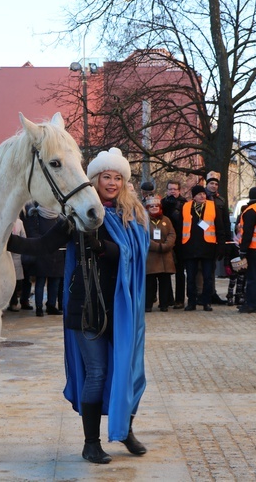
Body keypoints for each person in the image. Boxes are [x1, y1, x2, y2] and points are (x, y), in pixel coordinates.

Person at [62, 147, 149, 464]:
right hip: (86, 309)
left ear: (124, 182)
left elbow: (135, 254)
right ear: (94, 179)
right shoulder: (79, 214)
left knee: (127, 372)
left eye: (117, 177)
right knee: (97, 373)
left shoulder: (133, 215)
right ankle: (90, 443)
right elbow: (44, 244)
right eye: (105, 176)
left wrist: (103, 246)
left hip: (122, 310)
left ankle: (124, 430)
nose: (111, 182)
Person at [180, 185, 228, 311]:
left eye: (203, 193)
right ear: (194, 196)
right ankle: (191, 302)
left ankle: (207, 302)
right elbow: (181, 227)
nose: (202, 196)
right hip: (190, 247)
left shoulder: (213, 206)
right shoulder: (186, 207)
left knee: (208, 277)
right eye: (199, 194)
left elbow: (220, 228)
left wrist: (221, 246)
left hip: (208, 247)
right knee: (190, 277)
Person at [24, 204, 65, 316]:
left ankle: (51, 306)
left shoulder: (58, 216)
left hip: (57, 253)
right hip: (42, 253)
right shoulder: (36, 215)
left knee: (55, 282)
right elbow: (33, 233)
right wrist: (45, 243)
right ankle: (38, 307)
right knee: (40, 282)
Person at [143, 195, 176, 312]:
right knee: (150, 284)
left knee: (165, 283)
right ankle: (148, 305)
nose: (154, 208)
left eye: (156, 206)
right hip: (151, 257)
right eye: (151, 206)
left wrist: (167, 245)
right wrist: (157, 247)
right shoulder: (143, 220)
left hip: (165, 257)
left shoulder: (166, 220)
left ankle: (164, 304)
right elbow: (143, 237)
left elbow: (172, 234)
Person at [161, 180, 187, 309]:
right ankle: (168, 298)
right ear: (167, 190)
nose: (172, 191)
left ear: (179, 191)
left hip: (181, 241)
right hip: (165, 240)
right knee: (165, 271)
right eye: (170, 189)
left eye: (175, 189)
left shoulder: (184, 204)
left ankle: (180, 299)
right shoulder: (163, 203)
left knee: (180, 271)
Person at [204, 171, 229, 305]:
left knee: (211, 269)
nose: (213, 186)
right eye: (211, 183)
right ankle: (202, 293)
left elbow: (225, 222)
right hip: (202, 239)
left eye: (216, 184)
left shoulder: (221, 201)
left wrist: (225, 241)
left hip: (215, 239)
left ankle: (212, 293)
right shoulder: (201, 198)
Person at [6, 217, 26, 312]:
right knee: (7, 279)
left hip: (16, 255)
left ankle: (14, 302)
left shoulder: (19, 222)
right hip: (5, 254)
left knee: (16, 281)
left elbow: (23, 237)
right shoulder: (5, 220)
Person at [225, 223, 246, 306]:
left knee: (241, 280)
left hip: (243, 263)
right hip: (233, 264)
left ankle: (239, 296)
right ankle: (230, 296)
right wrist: (226, 265)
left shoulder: (244, 240)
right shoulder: (232, 242)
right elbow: (227, 255)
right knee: (232, 281)